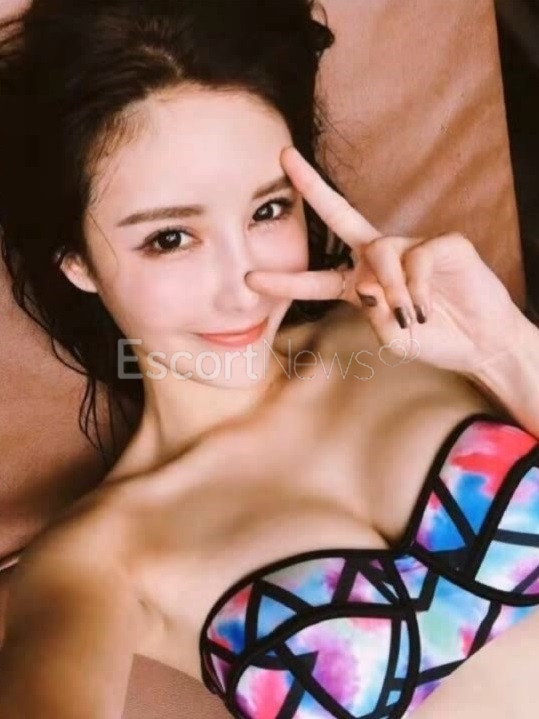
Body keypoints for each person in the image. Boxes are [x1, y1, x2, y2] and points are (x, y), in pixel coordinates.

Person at [1, 1, 539, 718]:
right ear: (78, 263)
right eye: (170, 238)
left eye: (267, 211)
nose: (243, 286)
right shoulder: (97, 559)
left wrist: (507, 349)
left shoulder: (424, 330)